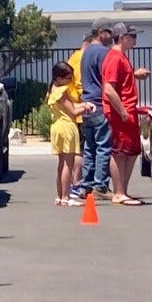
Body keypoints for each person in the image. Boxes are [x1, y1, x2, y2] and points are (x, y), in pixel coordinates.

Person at [100, 22, 144, 205]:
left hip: (128, 110)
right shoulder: (114, 57)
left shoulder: (122, 58)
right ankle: (118, 192)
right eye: (132, 36)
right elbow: (109, 88)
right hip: (121, 112)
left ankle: (123, 191)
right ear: (122, 37)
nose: (135, 40)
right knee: (119, 151)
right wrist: (122, 111)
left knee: (131, 151)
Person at [73, 21, 115, 199]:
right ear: (100, 32)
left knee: (89, 147)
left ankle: (86, 185)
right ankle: (101, 185)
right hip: (99, 104)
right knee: (103, 146)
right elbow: (109, 77)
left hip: (86, 104)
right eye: (108, 32)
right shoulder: (104, 52)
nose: (111, 35)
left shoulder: (86, 51)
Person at [45, 59, 90, 205]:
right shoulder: (62, 91)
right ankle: (66, 196)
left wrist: (82, 104)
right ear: (59, 78)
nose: (71, 81)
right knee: (68, 164)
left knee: (61, 163)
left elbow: (69, 106)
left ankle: (60, 195)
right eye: (68, 78)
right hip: (67, 127)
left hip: (57, 127)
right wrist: (86, 107)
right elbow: (74, 111)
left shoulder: (52, 89)